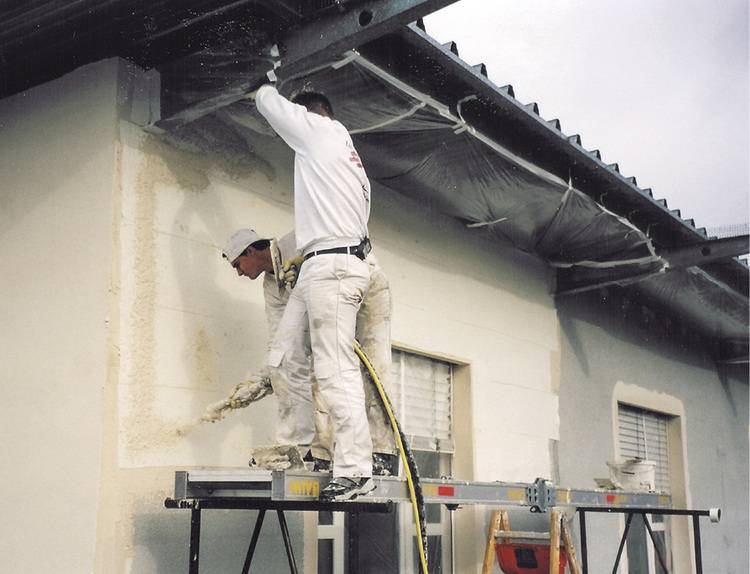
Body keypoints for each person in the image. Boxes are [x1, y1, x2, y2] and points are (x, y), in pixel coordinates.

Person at [254, 84, 377, 501]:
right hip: (318, 264)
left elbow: (269, 104)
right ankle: (295, 447)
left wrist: (263, 82)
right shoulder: (347, 156)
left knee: (335, 369)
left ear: (311, 115)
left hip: (334, 267)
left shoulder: (323, 131)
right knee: (284, 353)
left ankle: (356, 470)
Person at [220, 228, 398, 477]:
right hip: (326, 301)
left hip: (365, 285)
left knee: (374, 368)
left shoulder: (299, 240)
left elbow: (341, 248)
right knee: (313, 371)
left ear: (250, 251)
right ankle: (317, 452)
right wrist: (262, 379)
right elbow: (280, 340)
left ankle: (381, 452)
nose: (239, 272)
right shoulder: (272, 286)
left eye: (238, 265)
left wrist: (308, 265)